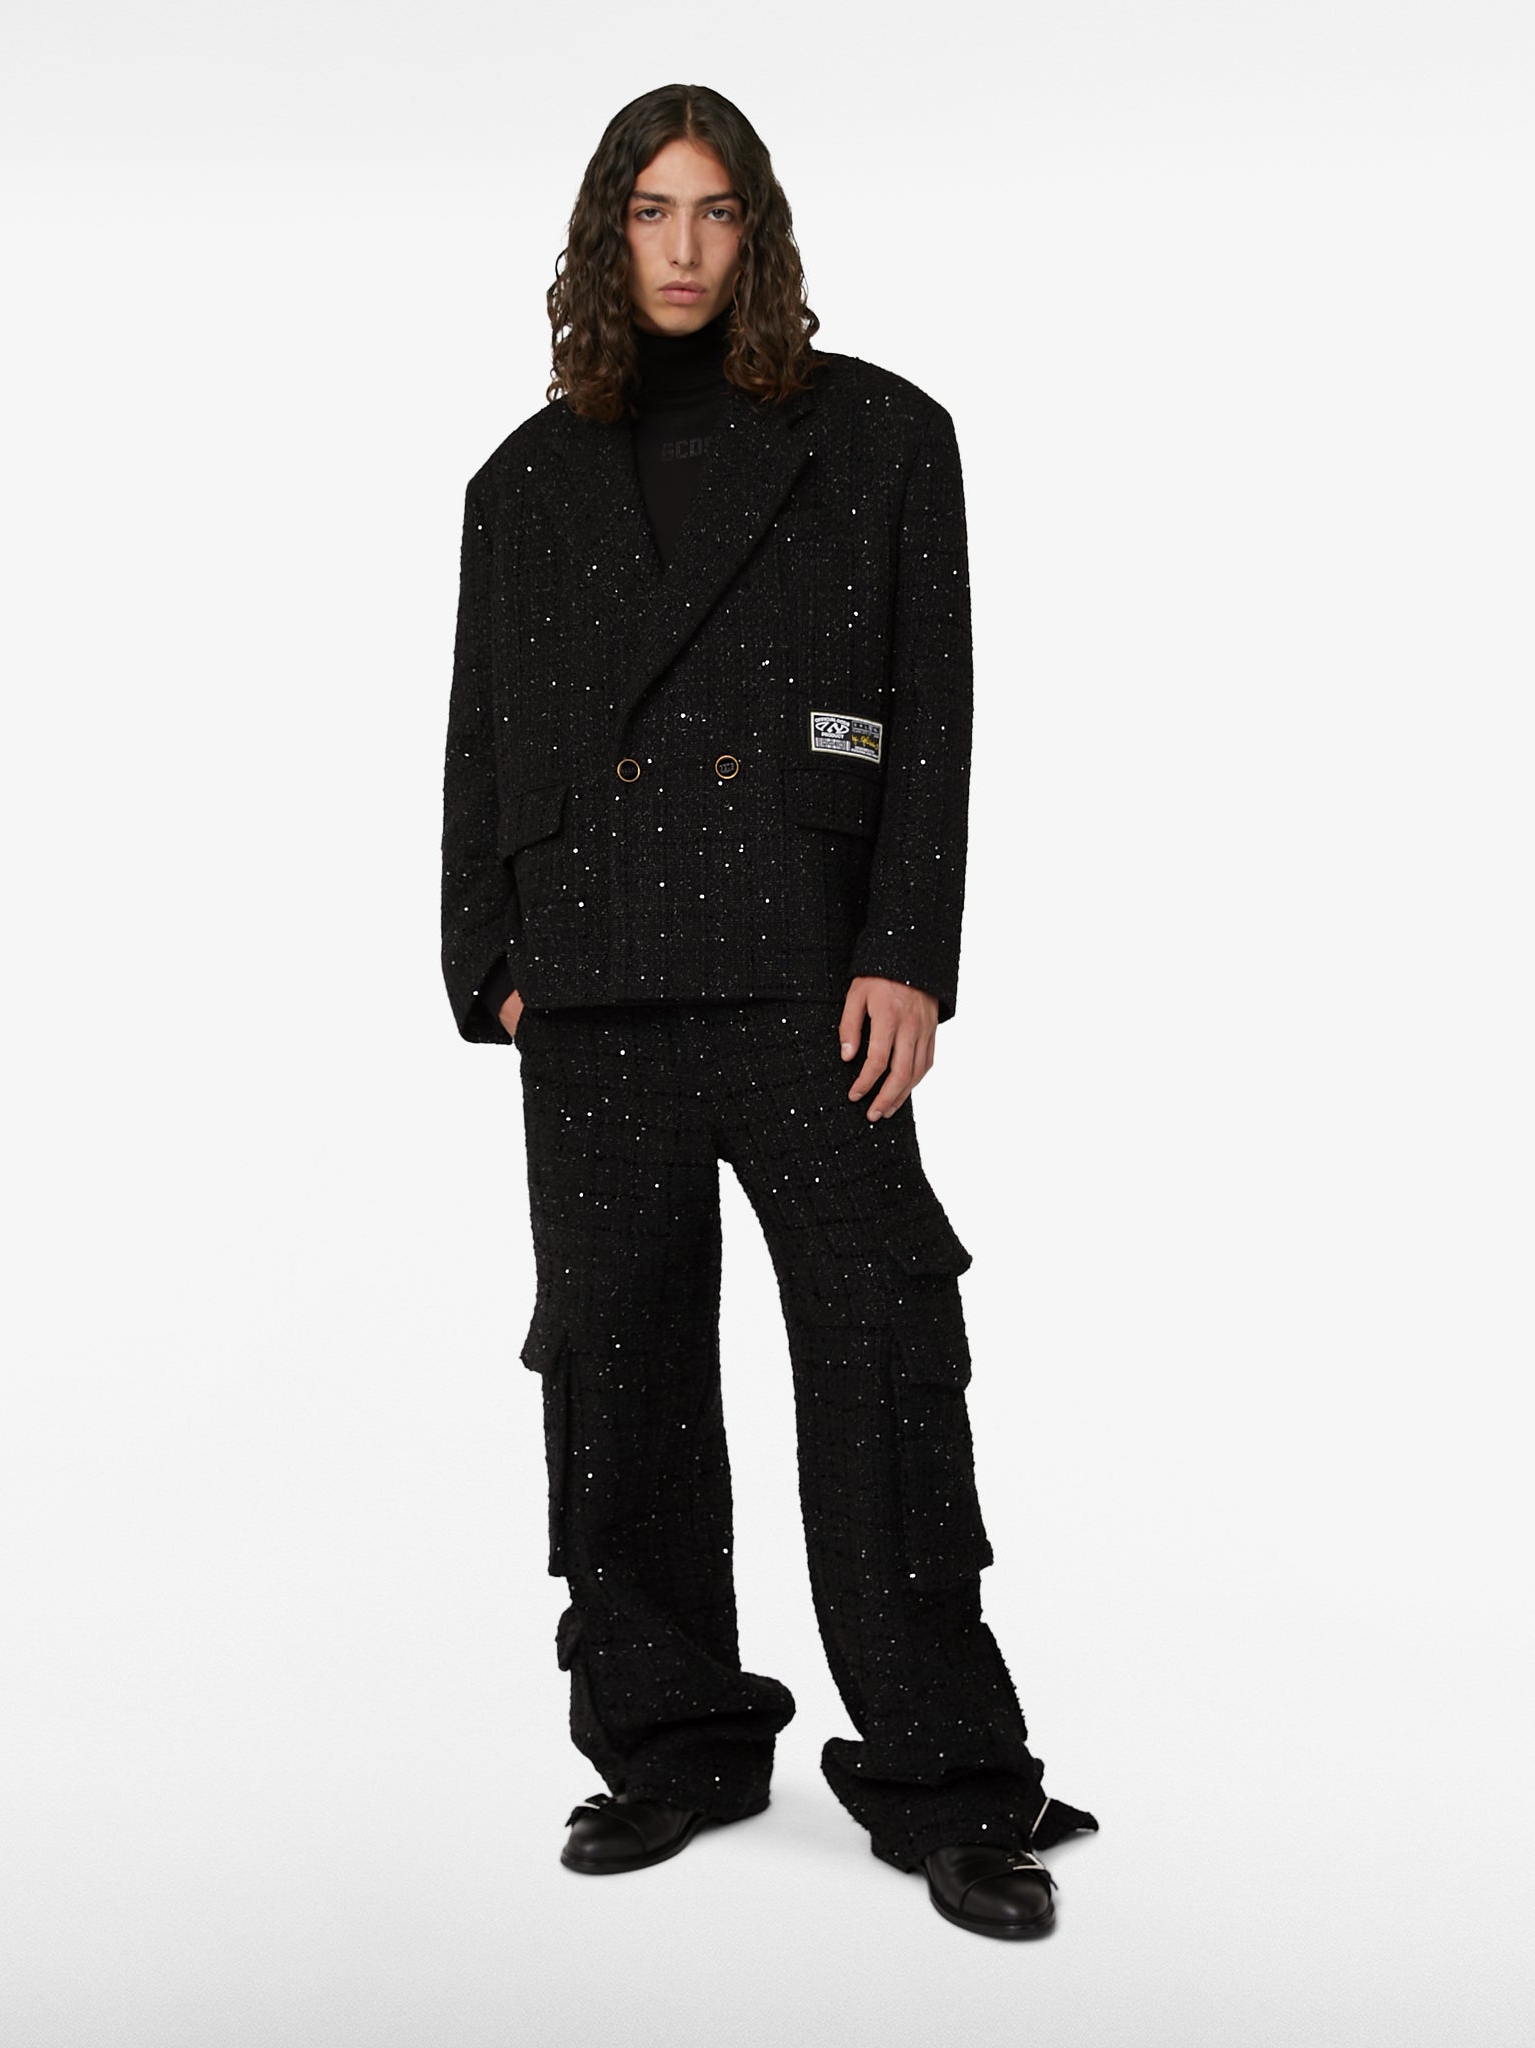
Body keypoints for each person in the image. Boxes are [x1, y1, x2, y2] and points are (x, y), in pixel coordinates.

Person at [439, 82, 1099, 1938]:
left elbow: (933, 713)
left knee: (883, 1357)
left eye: (713, 211)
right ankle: (668, 1745)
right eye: (648, 211)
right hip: (590, 980)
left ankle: (950, 1779)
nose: (680, 246)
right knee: (616, 1372)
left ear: (759, 233)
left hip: (808, 971)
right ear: (605, 235)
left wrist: (906, 952)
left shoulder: (879, 435)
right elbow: (481, 728)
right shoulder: (521, 478)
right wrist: (488, 955)